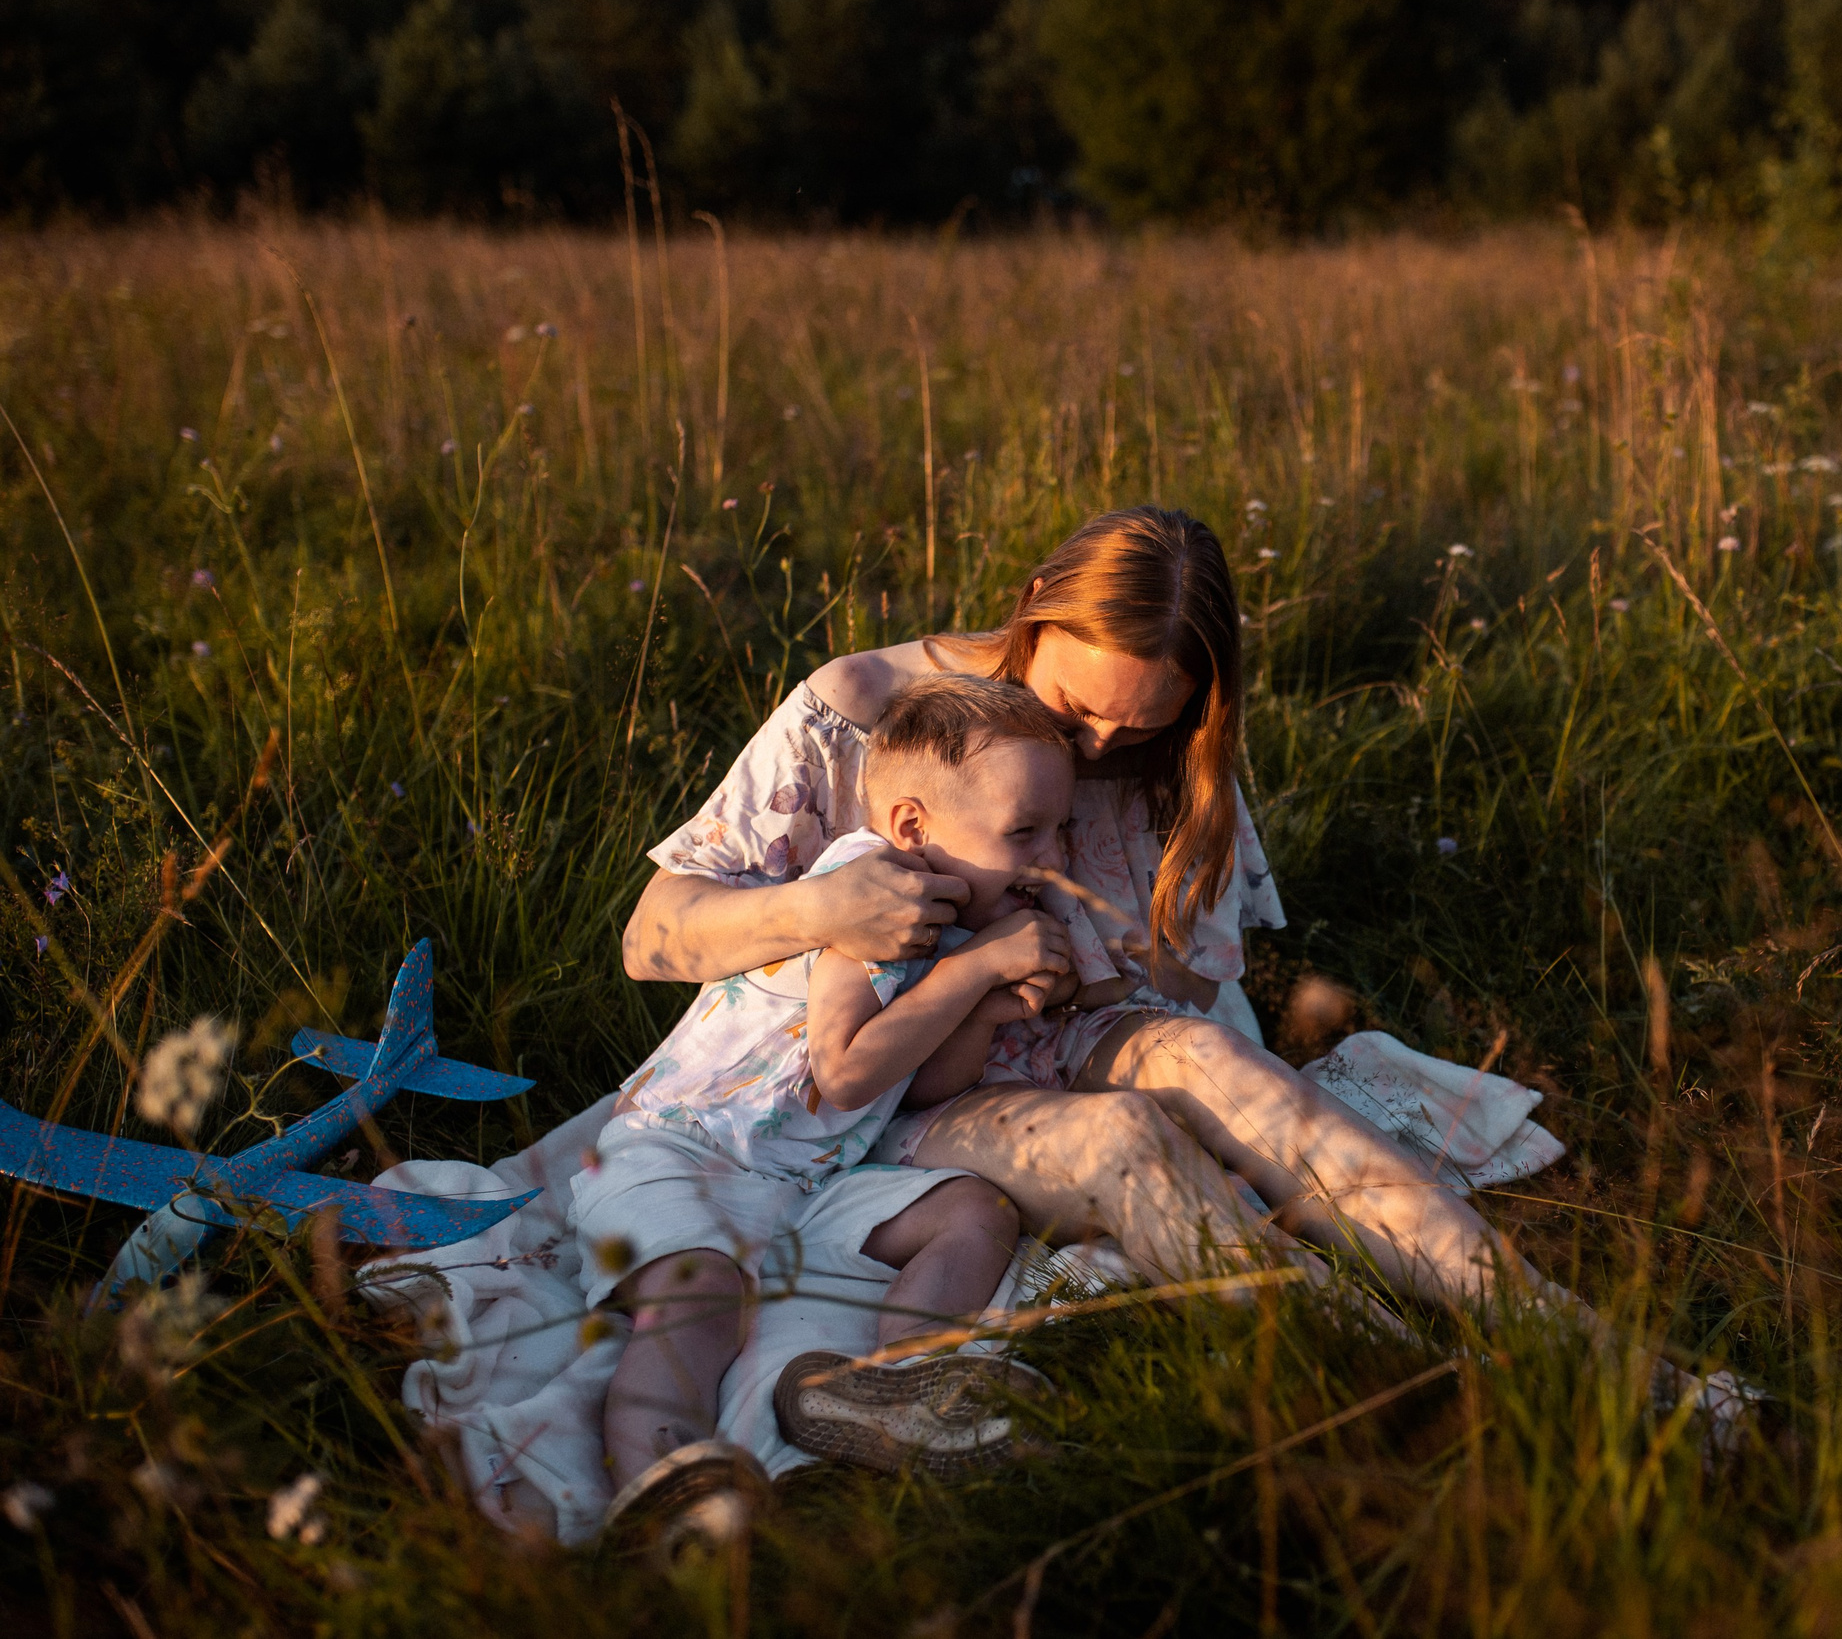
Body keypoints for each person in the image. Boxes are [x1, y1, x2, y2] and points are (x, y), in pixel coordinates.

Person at [625, 507, 1745, 1431]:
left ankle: (1587, 1350)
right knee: (1123, 1142)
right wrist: (820, 906)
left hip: (1059, 1028)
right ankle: (1408, 1387)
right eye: (1075, 714)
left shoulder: (1168, 752)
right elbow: (652, 936)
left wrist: (1079, 974)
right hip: (888, 1095)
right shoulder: (862, 710)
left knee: (1214, 1062)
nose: (1100, 752)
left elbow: (1186, 984)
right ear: (1031, 616)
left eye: (1142, 730)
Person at [581, 674, 1093, 1546]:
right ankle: (663, 1478)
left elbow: (920, 1084)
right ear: (911, 827)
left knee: (975, 1211)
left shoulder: (966, 923)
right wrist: (971, 974)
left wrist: (987, 1005)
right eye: (1025, 833)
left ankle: (898, 1385)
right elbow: (847, 1072)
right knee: (701, 1296)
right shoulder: (870, 891)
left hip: (809, 1179)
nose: (1053, 860)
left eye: (1061, 831)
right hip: (684, 1149)